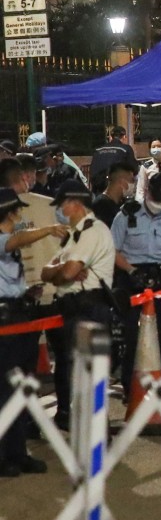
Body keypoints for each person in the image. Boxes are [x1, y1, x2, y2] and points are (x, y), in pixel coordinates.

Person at [0, 189, 69, 473]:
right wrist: (49, 229)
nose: (21, 217)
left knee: (22, 388)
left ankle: (18, 453)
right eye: (18, 212)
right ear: (8, 213)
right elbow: (14, 240)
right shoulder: (6, 239)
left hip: (20, 315)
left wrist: (28, 293)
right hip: (5, 323)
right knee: (5, 390)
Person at [41, 180, 115, 432]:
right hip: (74, 309)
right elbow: (45, 272)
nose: (60, 210)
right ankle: (82, 425)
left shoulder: (92, 231)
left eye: (62, 205)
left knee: (90, 373)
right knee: (75, 369)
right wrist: (64, 271)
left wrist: (63, 272)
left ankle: (97, 433)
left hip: (89, 308)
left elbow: (68, 271)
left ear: (74, 204)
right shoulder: (73, 236)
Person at [111, 172, 161, 392]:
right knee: (130, 335)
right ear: (146, 193)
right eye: (156, 199)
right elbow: (113, 250)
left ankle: (159, 381)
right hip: (130, 277)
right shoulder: (127, 215)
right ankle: (129, 385)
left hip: (159, 280)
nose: (158, 205)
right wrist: (131, 270)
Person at [89, 126, 136, 193]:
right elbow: (134, 168)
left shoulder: (98, 149)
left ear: (111, 137)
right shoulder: (126, 149)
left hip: (97, 187)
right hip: (115, 187)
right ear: (124, 137)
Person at [92, 162, 138, 228]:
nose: (134, 185)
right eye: (132, 180)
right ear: (122, 182)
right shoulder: (101, 205)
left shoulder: (121, 203)